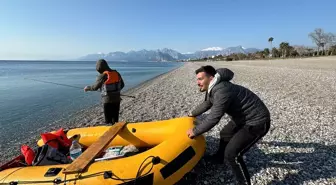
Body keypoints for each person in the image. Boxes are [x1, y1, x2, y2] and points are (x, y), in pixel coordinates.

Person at [187, 65, 271, 185]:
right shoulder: (214, 87)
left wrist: (195, 131)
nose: (198, 82)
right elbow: (207, 104)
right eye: (197, 79)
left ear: (210, 78)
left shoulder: (222, 91)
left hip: (257, 122)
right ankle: (219, 158)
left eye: (200, 79)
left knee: (232, 154)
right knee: (225, 133)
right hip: (242, 118)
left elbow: (214, 117)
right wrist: (191, 114)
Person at [84, 59, 125, 124]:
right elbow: (122, 85)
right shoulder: (117, 73)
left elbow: (95, 87)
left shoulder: (102, 75)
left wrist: (87, 88)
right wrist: (115, 91)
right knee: (115, 118)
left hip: (107, 100)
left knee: (108, 120)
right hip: (117, 99)